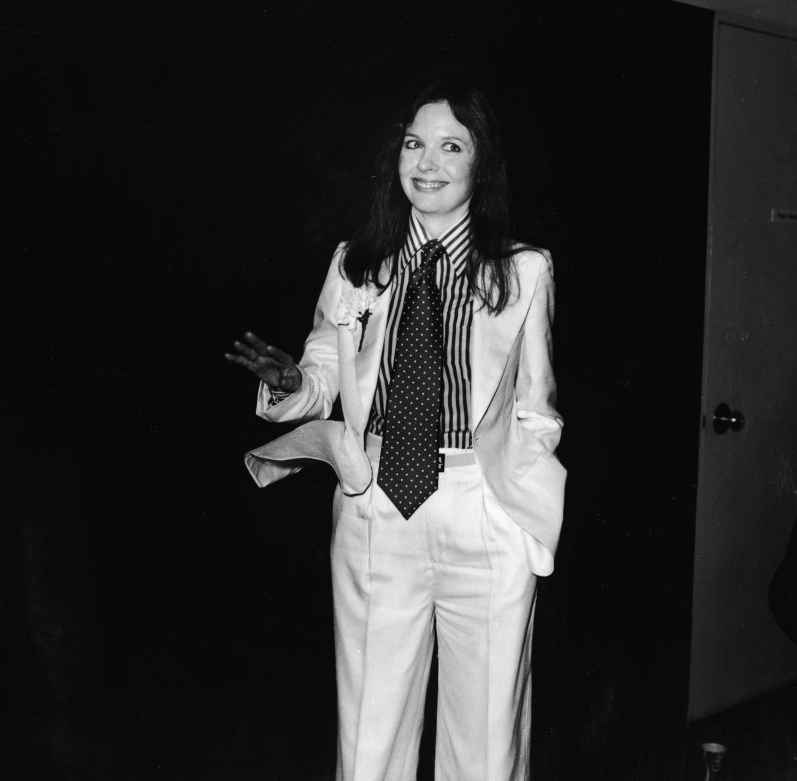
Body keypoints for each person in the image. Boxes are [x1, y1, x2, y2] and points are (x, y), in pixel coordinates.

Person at [225, 76, 565, 781]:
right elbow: (320, 379)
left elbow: (538, 407)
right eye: (414, 144)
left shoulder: (523, 271)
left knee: (486, 749)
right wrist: (289, 383)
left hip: (483, 513)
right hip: (376, 507)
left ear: (482, 163)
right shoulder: (356, 264)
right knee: (368, 740)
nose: (428, 163)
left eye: (451, 146)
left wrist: (520, 516)